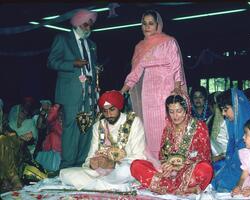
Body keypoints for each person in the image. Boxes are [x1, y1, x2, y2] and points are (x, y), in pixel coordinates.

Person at [120, 10, 187, 161]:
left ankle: (171, 162)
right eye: (144, 23)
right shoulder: (140, 47)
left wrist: (177, 87)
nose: (147, 27)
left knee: (168, 126)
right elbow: (135, 73)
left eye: (151, 23)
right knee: (150, 129)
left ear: (158, 25)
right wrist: (122, 91)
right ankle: (154, 164)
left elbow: (176, 66)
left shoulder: (169, 42)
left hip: (167, 89)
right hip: (148, 93)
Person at [60, 90, 146, 191]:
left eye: (112, 109)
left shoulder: (134, 122)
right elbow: (89, 158)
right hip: (100, 172)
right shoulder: (98, 126)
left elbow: (140, 156)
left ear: (119, 107)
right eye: (105, 111)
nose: (108, 114)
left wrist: (112, 164)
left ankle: (99, 185)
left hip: (122, 169)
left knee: (125, 171)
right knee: (65, 173)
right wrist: (92, 164)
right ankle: (113, 186)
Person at [130, 94, 213, 195]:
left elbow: (205, 156)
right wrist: (166, 167)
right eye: (171, 112)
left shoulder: (199, 127)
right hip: (169, 175)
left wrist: (181, 165)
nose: (175, 116)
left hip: (189, 171)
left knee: (206, 168)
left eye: (179, 111)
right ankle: (183, 190)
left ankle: (165, 188)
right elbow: (162, 156)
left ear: (186, 110)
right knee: (136, 165)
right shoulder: (168, 129)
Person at [48, 9, 99, 168]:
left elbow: (91, 68)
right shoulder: (62, 39)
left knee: (87, 127)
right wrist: (72, 64)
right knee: (71, 129)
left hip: (89, 93)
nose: (88, 28)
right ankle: (67, 166)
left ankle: (81, 164)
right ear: (77, 23)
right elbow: (51, 62)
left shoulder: (91, 45)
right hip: (71, 94)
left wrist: (96, 74)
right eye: (85, 24)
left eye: (90, 25)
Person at [211, 89, 250, 192]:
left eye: (226, 109)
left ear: (237, 107)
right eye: (222, 110)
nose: (224, 114)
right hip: (236, 164)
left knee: (222, 185)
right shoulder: (233, 124)